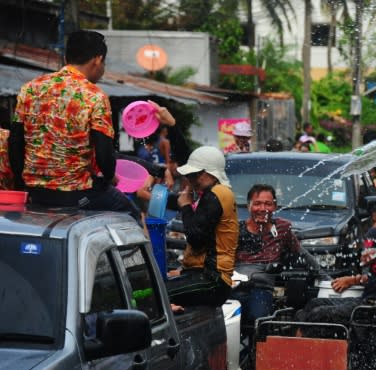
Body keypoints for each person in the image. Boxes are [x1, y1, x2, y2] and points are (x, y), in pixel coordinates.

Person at [8, 30, 140, 221]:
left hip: (34, 192)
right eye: (104, 63)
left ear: (65, 57)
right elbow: (104, 154)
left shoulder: (30, 88)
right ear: (97, 59)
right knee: (131, 214)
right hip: (76, 194)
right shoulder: (94, 96)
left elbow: (15, 142)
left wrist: (23, 184)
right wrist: (111, 176)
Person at [295, 198, 376, 325]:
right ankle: (296, 345)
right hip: (368, 300)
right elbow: (364, 261)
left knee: (320, 313)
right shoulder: (375, 235)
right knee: (312, 304)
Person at [166, 146, 238, 308]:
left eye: (194, 175)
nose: (191, 180)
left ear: (209, 173)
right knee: (149, 291)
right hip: (203, 276)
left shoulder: (217, 193)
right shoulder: (211, 194)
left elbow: (196, 237)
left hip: (213, 280)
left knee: (158, 295)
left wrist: (185, 206)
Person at [233, 184, 302, 334]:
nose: (262, 208)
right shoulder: (236, 230)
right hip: (234, 287)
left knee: (259, 321)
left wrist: (325, 277)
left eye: (268, 204)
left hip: (261, 289)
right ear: (249, 206)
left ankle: (256, 354)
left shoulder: (282, 228)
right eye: (257, 203)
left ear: (275, 207)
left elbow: (301, 254)